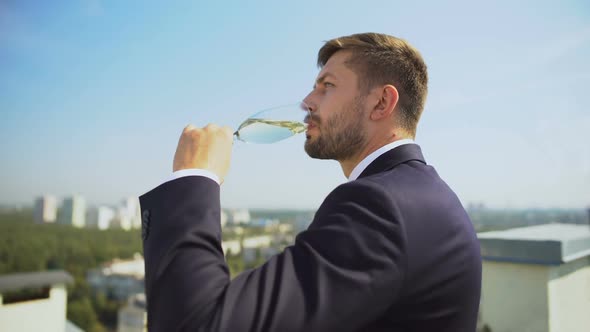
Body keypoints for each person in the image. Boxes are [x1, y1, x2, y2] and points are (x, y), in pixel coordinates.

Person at [140, 32, 482, 331]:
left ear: (381, 102)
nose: (307, 102)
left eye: (327, 86)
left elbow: (199, 324)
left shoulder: (380, 207)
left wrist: (194, 177)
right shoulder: (421, 195)